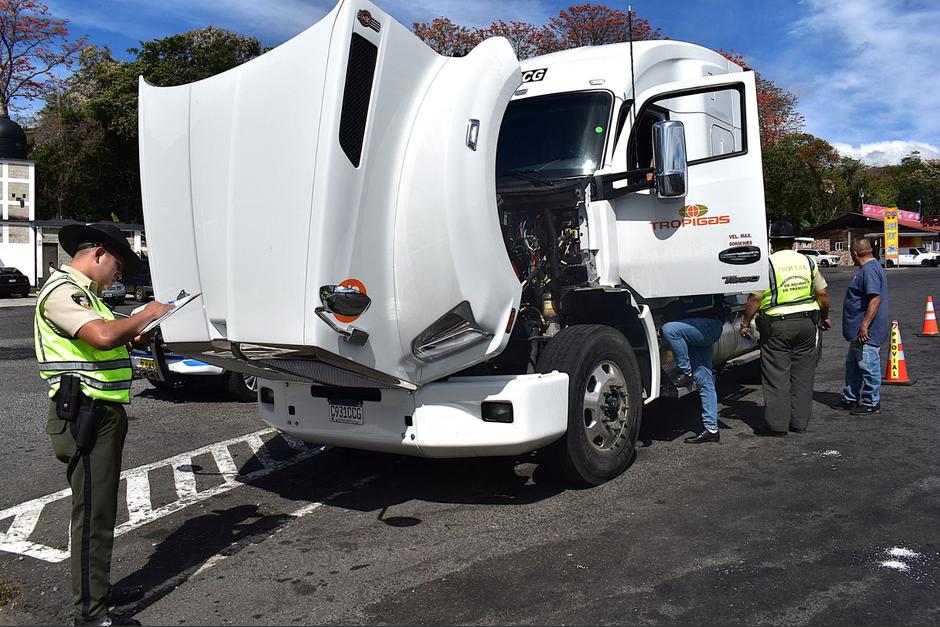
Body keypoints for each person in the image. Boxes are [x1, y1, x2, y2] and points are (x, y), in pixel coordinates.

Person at [34, 222, 173, 626]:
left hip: (100, 414)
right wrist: (144, 314)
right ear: (97, 253)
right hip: (84, 416)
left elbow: (111, 335)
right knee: (92, 513)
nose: (119, 274)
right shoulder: (62, 291)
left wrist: (138, 332)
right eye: (117, 264)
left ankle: (99, 589)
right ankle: (89, 614)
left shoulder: (88, 296)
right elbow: (100, 337)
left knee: (102, 509)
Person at [740, 220, 831, 436]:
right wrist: (824, 318)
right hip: (807, 322)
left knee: (776, 375)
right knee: (803, 374)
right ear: (792, 242)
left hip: (777, 325)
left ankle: (777, 426)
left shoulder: (767, 263)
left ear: (772, 243)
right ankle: (799, 423)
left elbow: (755, 298)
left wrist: (745, 323)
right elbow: (823, 294)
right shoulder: (808, 262)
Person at [662, 296, 726, 444]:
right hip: (696, 326)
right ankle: (712, 430)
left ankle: (686, 372)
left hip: (709, 324)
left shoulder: (707, 280)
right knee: (704, 379)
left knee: (670, 330)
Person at [841, 237, 888, 414]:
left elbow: (875, 299)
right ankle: (851, 397)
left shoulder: (869, 271)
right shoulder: (869, 269)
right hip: (857, 332)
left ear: (854, 253)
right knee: (853, 366)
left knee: (868, 366)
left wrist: (865, 325)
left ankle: (871, 401)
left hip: (866, 332)